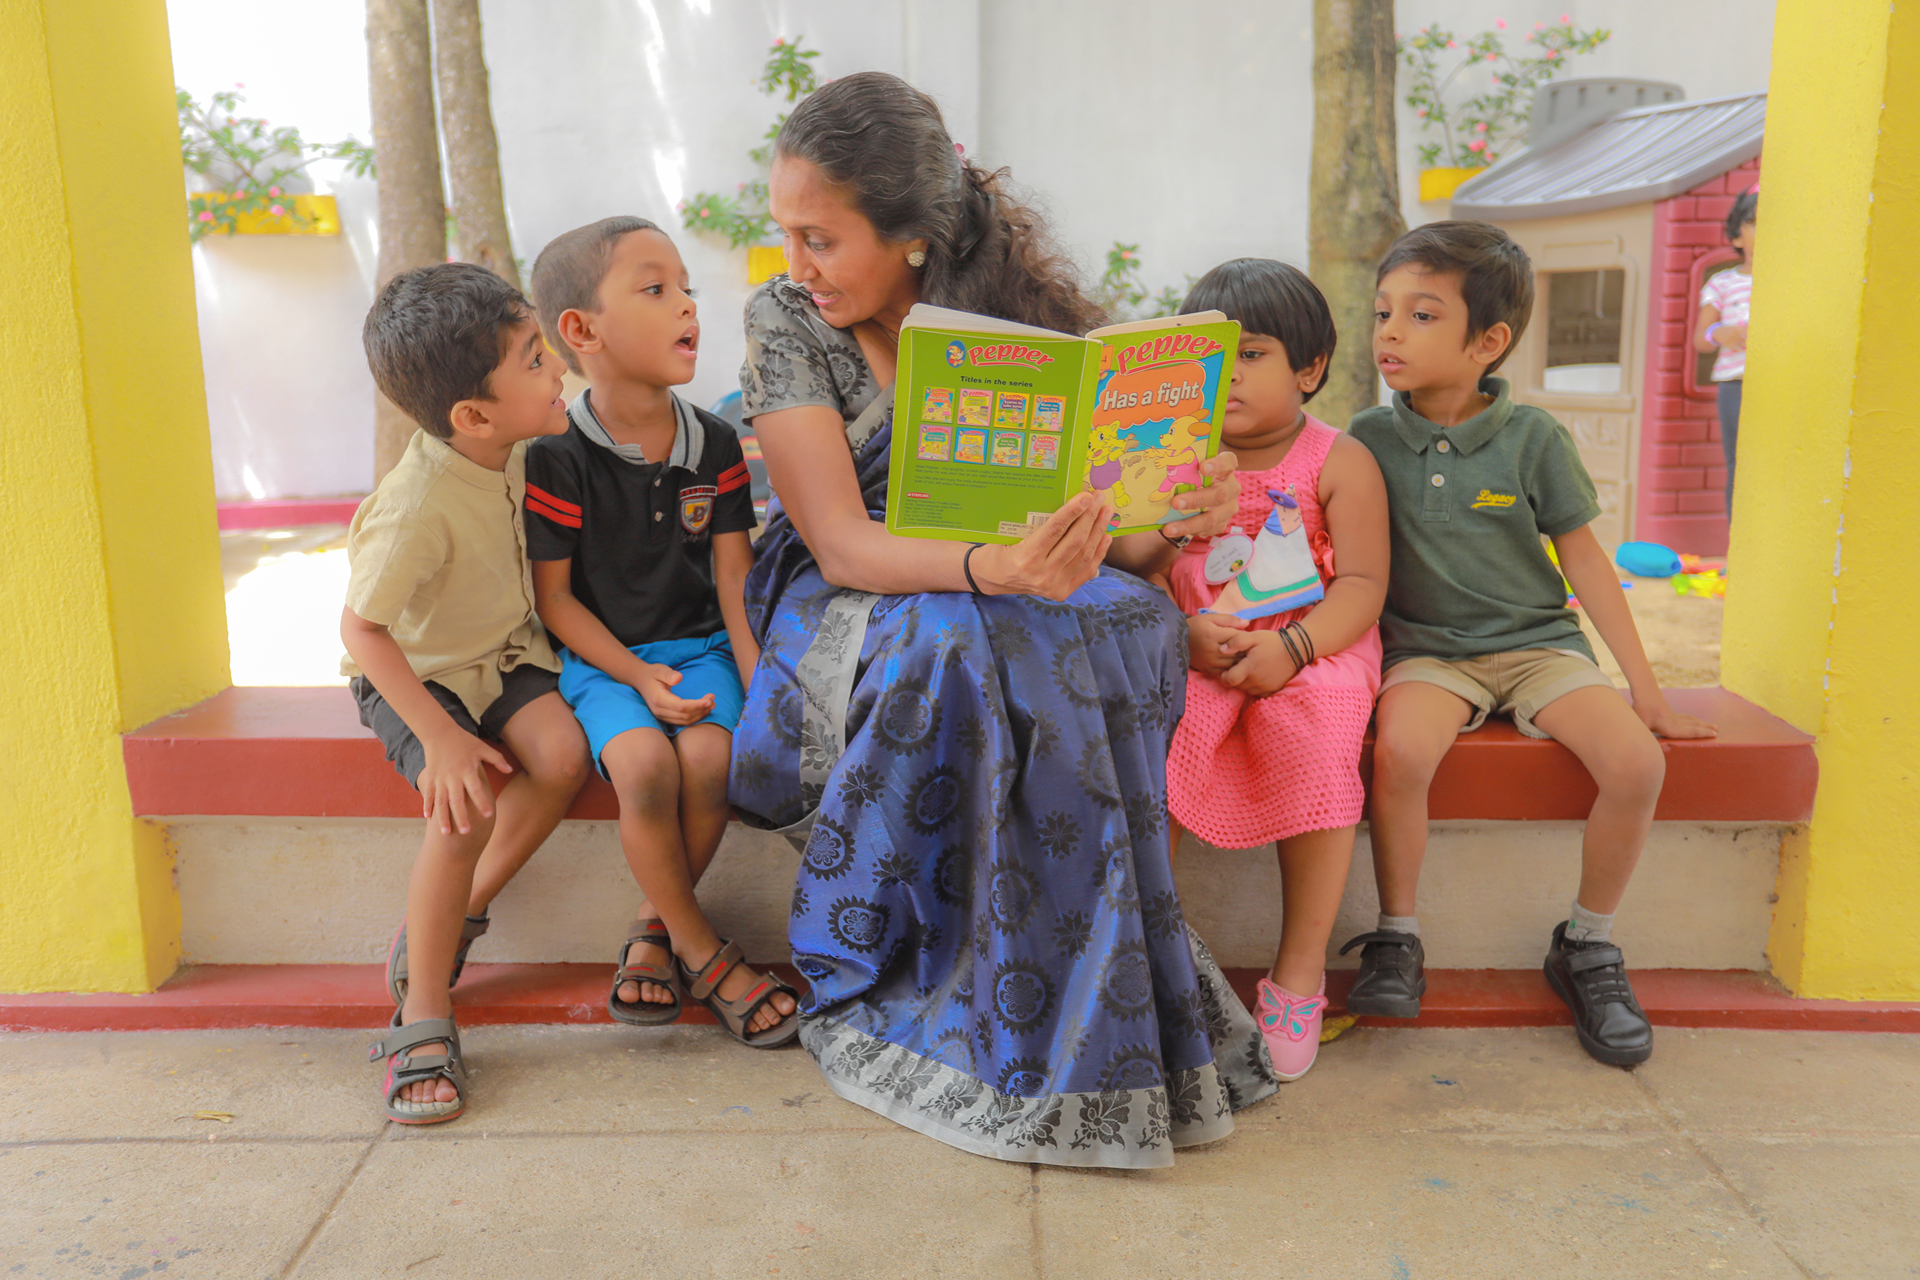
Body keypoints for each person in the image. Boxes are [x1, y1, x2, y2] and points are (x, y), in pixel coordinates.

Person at [731, 71, 1275, 1168]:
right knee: (970, 635)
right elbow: (840, 540)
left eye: (822, 238)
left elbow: (1108, 549)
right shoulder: (789, 320)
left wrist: (1174, 515)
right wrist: (994, 568)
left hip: (1017, 578)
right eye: (788, 233)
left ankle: (1089, 983)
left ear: (917, 239)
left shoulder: (1025, 322)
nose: (798, 263)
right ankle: (959, 986)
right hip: (856, 596)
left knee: (1125, 619)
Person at [1347, 222, 1717, 1066]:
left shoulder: (1533, 439)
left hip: (1541, 647)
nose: (1391, 333)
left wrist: (1646, 691)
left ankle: (1585, 945)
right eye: (1383, 312)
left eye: (1422, 314)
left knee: (1636, 764)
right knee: (1400, 752)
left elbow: (1585, 559)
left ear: (1489, 341)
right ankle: (1398, 935)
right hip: (1429, 655)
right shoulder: (1365, 437)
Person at [526, 217, 798, 1047]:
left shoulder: (713, 442)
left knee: (712, 757)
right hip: (605, 663)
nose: (687, 305)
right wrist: (639, 681)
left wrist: (758, 689)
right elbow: (557, 603)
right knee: (643, 764)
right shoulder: (557, 454)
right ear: (581, 331)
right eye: (655, 289)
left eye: (686, 287)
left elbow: (731, 580)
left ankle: (654, 930)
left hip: (701, 651)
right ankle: (703, 952)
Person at [345, 263, 592, 1124]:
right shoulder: (415, 507)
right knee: (463, 809)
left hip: (504, 653)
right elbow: (363, 632)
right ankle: (424, 1012)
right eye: (533, 359)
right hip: (419, 674)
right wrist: (440, 740)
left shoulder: (518, 444)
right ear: (472, 415)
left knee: (563, 758)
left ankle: (456, 913)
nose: (556, 366)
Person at [1163, 260, 1389, 1081]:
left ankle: (1298, 974)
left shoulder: (1338, 458)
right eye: (1209, 358)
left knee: (1325, 719)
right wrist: (1182, 632)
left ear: (1310, 368)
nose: (1225, 376)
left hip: (1310, 645)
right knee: (1161, 722)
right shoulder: (1172, 459)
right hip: (1197, 642)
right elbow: (1139, 572)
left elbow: (1363, 584)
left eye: (1250, 353)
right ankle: (1154, 957)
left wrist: (1293, 649)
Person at [1696, 185, 1757, 518]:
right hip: (1734, 383)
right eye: (1756, 223)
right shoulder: (1722, 283)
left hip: (1774, 382)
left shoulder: (1789, 280)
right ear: (1736, 237)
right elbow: (1701, 339)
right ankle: (1736, 546)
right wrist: (1721, 332)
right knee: (1738, 461)